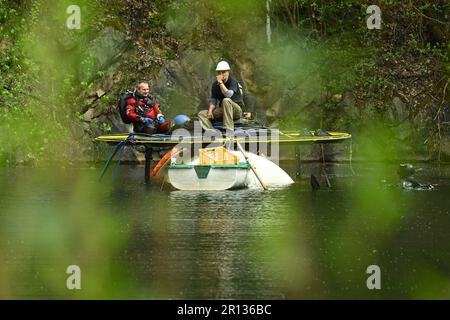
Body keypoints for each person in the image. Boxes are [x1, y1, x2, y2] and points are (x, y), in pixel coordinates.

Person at [198, 61, 250, 131]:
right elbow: (214, 100)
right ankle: (211, 132)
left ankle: (229, 131)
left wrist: (220, 83)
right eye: (219, 72)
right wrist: (210, 111)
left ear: (228, 72)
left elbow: (228, 94)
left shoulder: (233, 82)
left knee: (226, 100)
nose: (221, 74)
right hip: (223, 110)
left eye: (223, 72)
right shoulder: (215, 85)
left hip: (236, 110)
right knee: (202, 113)